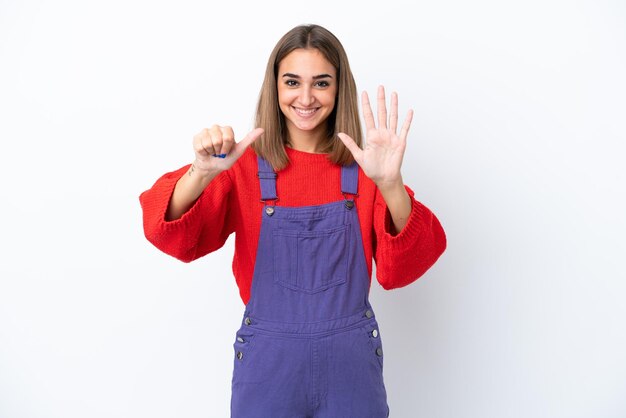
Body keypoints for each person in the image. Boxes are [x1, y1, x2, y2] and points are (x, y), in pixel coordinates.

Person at [140, 23, 446, 418]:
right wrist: (200, 172)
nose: (305, 98)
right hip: (269, 369)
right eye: (292, 82)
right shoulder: (240, 164)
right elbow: (166, 231)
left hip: (349, 367)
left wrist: (390, 184)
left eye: (321, 83)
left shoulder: (366, 169)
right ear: (275, 87)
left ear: (339, 90)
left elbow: (406, 266)